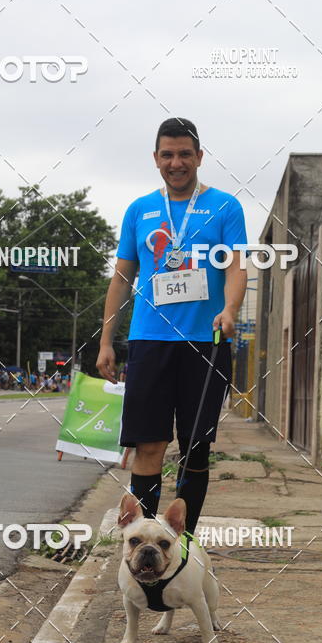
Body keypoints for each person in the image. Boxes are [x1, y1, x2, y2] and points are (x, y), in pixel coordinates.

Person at [96, 117, 248, 534]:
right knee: (148, 446)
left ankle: (181, 545)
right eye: (168, 154)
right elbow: (122, 278)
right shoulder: (140, 210)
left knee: (195, 450)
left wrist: (231, 308)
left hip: (205, 343)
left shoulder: (225, 207)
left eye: (184, 154)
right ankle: (144, 544)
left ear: (199, 157)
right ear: (156, 159)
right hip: (149, 342)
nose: (176, 162)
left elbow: (236, 266)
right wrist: (106, 340)